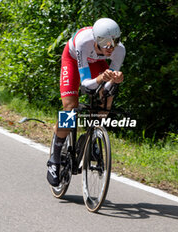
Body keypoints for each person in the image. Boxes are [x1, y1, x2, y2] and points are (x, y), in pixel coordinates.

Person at [47, 18, 126, 186]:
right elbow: (85, 84)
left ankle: (93, 136)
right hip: (73, 59)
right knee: (69, 109)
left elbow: (109, 83)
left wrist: (115, 80)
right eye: (105, 43)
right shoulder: (84, 42)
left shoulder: (119, 51)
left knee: (107, 98)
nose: (110, 47)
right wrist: (100, 78)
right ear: (96, 39)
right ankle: (54, 159)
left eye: (115, 42)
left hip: (97, 62)